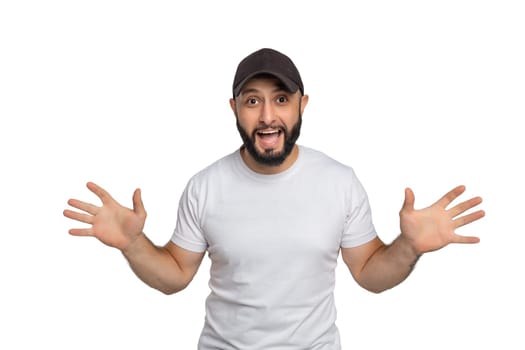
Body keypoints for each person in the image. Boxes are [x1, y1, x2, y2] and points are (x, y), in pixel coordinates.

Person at [63, 48, 485, 349]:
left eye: (281, 100)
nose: (267, 116)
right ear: (234, 108)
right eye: (253, 102)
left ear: (303, 105)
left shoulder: (339, 182)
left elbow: (371, 274)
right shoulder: (205, 186)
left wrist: (409, 246)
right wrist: (132, 244)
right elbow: (174, 277)